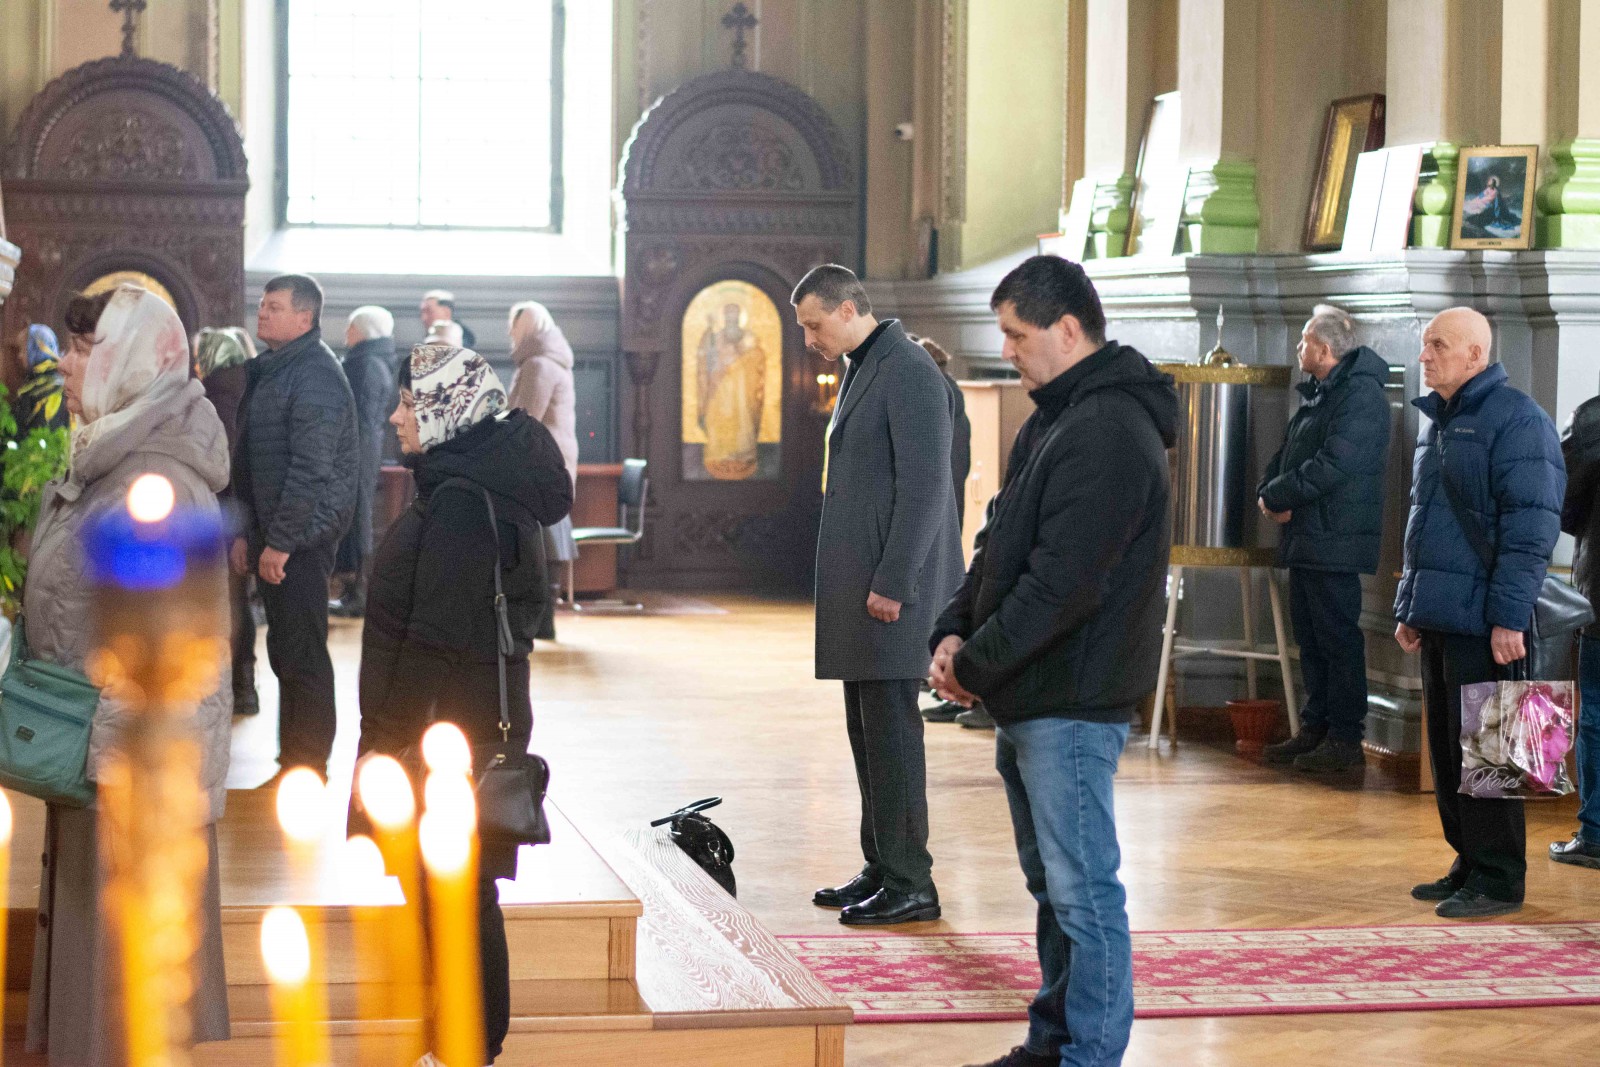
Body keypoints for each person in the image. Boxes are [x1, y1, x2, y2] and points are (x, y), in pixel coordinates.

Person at [930, 256, 1175, 1067]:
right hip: (1033, 689)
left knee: (1083, 891)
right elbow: (998, 540)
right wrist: (953, 629)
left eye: (1017, 334)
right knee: (1053, 889)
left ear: (1068, 330)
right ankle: (1053, 1040)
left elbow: (1061, 586)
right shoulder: (1059, 415)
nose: (1006, 351)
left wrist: (973, 667)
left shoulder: (1108, 430)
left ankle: (1089, 1054)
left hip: (1072, 694)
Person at [25, 285, 232, 1063]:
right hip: (88, 748)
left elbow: (171, 660)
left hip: (126, 770)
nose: (66, 364)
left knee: (122, 973)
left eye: (86, 348)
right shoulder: (110, 455)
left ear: (135, 360)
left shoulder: (156, 485)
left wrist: (113, 763)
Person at [357, 343, 572, 1065]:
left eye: (408, 403)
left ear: (445, 410)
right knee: (453, 889)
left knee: (456, 892)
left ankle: (469, 1044)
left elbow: (434, 640)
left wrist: (385, 744)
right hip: (462, 722)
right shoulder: (473, 483)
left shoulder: (459, 501)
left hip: (446, 730)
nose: (395, 418)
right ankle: (456, 1039)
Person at [795, 264, 963, 927]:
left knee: (892, 735)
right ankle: (882, 864)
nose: (809, 338)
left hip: (893, 592)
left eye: (813, 324)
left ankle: (911, 880)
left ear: (846, 309)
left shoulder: (910, 370)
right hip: (865, 590)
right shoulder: (865, 365)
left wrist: (893, 582)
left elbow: (926, 488)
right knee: (866, 732)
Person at [1394, 306, 1564, 919]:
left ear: (1475, 354)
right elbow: (1423, 523)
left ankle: (1499, 878)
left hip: (1490, 620)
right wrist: (1409, 605)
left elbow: (1531, 530)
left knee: (1493, 753)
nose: (1425, 356)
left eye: (1438, 345)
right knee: (1448, 753)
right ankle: (1468, 861)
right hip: (1441, 614)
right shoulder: (1439, 421)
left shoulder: (1519, 419)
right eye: (1425, 345)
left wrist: (1509, 617)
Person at [234, 274, 358, 782]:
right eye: (262, 305)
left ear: (305, 319)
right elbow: (253, 459)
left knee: (301, 650)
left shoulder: (315, 375)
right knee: (286, 647)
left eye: (275, 306)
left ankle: (307, 763)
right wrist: (250, 534)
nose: (262, 313)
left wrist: (281, 542)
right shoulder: (279, 367)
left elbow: (311, 468)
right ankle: (294, 758)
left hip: (302, 538)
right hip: (278, 534)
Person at [1257, 305, 1391, 772]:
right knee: (1311, 641)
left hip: (1335, 538)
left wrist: (1278, 494)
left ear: (1325, 349)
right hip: (1310, 537)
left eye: (1305, 340)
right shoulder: (1322, 392)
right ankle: (1315, 729)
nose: (1299, 347)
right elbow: (1289, 452)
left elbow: (1334, 464)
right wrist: (1268, 491)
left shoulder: (1361, 397)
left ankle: (1345, 740)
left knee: (1337, 641)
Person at [908, 333, 980, 727]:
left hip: (940, 508)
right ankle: (937, 676)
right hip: (940, 506)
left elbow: (947, 462)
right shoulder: (940, 390)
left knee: (941, 591)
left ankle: (946, 681)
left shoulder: (942, 393)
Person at [196, 326, 262, 715]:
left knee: (225, 602)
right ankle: (244, 685)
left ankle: (233, 686)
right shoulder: (248, 390)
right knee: (238, 600)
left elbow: (226, 464)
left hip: (221, 514)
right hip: (241, 514)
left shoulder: (215, 398)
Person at [506, 300, 578, 638]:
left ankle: (541, 620)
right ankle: (543, 619)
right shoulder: (548, 361)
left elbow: (525, 419)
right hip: (551, 461)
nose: (509, 332)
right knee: (546, 539)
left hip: (539, 464)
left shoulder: (537, 365)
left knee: (543, 542)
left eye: (513, 324)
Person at [332, 306, 400, 618]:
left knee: (359, 515)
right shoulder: (372, 360)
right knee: (356, 513)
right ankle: (353, 588)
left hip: (357, 449)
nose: (346, 333)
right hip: (362, 447)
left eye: (350, 327)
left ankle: (359, 592)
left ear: (363, 330)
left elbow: (358, 415)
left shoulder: (366, 363)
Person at [12, 324, 68, 433]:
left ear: (35, 349)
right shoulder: (39, 382)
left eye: (22, 350)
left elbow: (41, 433)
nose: (19, 356)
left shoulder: (46, 389)